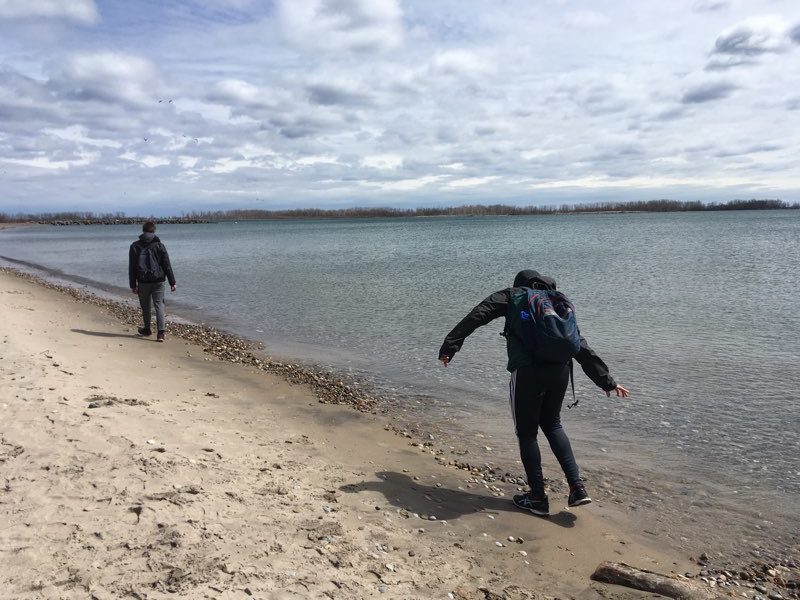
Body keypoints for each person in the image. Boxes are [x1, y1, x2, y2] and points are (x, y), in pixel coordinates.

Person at [438, 269, 629, 517]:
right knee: (553, 424)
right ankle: (577, 488)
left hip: (528, 371)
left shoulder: (514, 295)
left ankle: (538, 498)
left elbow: (479, 314)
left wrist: (450, 346)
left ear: (520, 284)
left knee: (527, 433)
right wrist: (607, 381)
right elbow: (578, 343)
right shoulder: (557, 302)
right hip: (560, 370)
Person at [128, 221, 176, 342]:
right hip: (158, 280)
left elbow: (132, 267)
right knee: (159, 304)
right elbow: (167, 265)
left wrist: (133, 284)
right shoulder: (160, 246)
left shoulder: (134, 246)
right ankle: (160, 333)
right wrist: (172, 282)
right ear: (154, 231)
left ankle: (147, 329)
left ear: (143, 231)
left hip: (143, 281)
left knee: (145, 306)